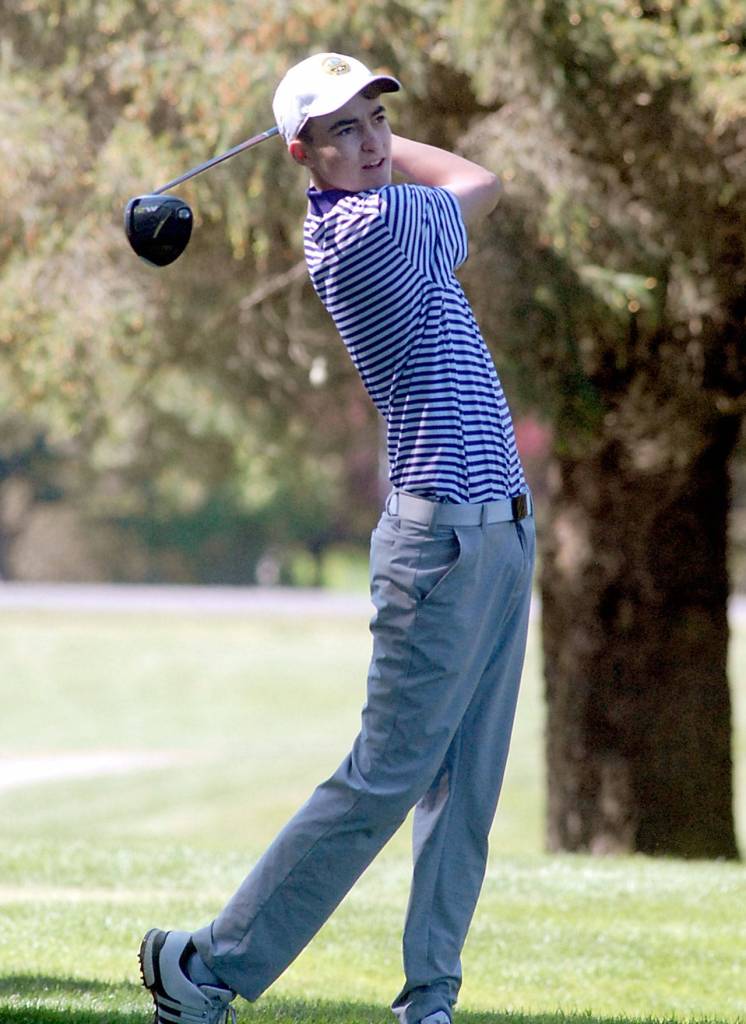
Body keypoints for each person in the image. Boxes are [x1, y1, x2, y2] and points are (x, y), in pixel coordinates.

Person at [139, 52, 535, 1024]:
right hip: (441, 547)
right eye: (342, 130)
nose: (370, 143)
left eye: (377, 120)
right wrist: (389, 158)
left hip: (499, 533)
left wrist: (366, 140)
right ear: (299, 153)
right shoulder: (372, 227)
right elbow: (479, 180)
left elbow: (453, 181)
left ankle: (430, 998)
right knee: (386, 777)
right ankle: (204, 965)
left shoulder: (380, 206)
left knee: (465, 790)